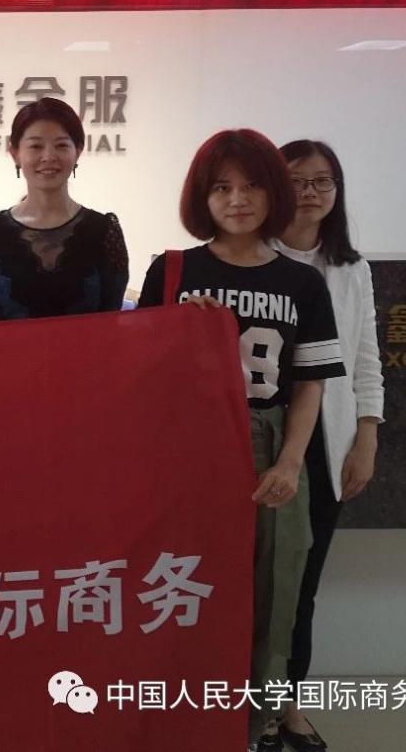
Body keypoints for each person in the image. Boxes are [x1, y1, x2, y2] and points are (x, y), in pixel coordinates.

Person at [136, 129, 345, 752]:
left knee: (274, 590)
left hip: (268, 438)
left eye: (252, 185)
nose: (237, 199)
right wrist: (181, 331)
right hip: (186, 446)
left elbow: (309, 384)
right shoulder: (175, 270)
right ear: (201, 196)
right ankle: (183, 714)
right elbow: (137, 371)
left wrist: (289, 462)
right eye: (222, 187)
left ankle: (256, 723)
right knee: (184, 580)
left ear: (274, 192)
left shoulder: (302, 282)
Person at [272, 140, 384, 752]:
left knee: (301, 584)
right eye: (297, 180)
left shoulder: (351, 268)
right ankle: (236, 706)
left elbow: (366, 358)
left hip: (326, 441)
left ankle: (288, 708)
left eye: (323, 181)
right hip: (260, 436)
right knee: (251, 580)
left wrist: (366, 434)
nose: (311, 192)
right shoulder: (253, 257)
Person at [0, 97, 128, 319]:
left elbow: (111, 323)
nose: (48, 157)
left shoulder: (104, 230)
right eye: (36, 146)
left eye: (61, 145)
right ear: (15, 153)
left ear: (78, 151)